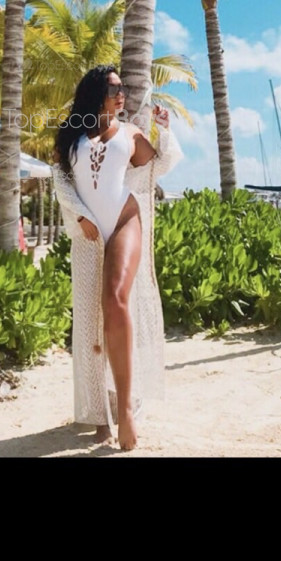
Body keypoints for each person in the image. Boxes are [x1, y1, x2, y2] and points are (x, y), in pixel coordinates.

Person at [52, 65, 183, 451]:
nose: (121, 93)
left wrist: (164, 130)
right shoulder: (72, 136)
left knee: (115, 300)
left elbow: (158, 166)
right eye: (113, 89)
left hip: (125, 220)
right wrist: (79, 214)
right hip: (88, 235)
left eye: (122, 87)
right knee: (90, 324)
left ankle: (125, 409)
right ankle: (101, 413)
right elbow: (59, 178)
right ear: (96, 94)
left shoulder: (130, 133)